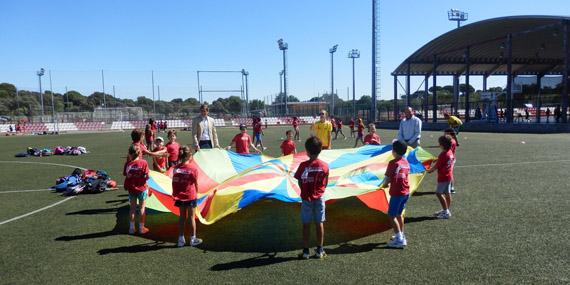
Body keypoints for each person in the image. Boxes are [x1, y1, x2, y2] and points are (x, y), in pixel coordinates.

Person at [294, 136, 329, 259]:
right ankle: (320, 250)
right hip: (319, 198)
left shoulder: (303, 166)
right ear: (320, 150)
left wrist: (305, 190)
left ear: (307, 151)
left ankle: (305, 252)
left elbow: (299, 181)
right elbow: (326, 182)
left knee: (306, 224)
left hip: (306, 198)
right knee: (319, 222)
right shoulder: (325, 166)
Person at [381, 140, 410, 248]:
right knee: (398, 215)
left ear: (394, 151)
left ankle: (399, 240)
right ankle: (401, 235)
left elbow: (387, 178)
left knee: (391, 215)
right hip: (405, 192)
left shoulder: (393, 163)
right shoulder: (405, 162)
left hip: (397, 193)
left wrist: (384, 185)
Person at [172, 145, 203, 247]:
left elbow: (174, 182)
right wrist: (197, 193)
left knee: (182, 217)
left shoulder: (175, 169)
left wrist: (175, 194)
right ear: (189, 156)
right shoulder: (193, 168)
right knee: (191, 217)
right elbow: (196, 183)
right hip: (190, 196)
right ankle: (192, 239)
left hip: (180, 196)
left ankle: (181, 239)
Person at [427, 135, 455, 219]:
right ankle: (445, 210)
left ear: (442, 145)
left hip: (443, 178)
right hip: (449, 176)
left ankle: (446, 212)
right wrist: (437, 159)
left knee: (438, 193)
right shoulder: (449, 152)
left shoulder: (443, 155)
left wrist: (429, 170)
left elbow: (436, 167)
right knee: (447, 193)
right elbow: (442, 160)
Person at [124, 145, 150, 234]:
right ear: (139, 153)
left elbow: (126, 174)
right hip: (142, 188)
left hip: (131, 189)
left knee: (132, 208)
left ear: (130, 154)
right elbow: (147, 176)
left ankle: (131, 228)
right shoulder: (144, 162)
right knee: (142, 208)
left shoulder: (128, 164)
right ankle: (141, 228)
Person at [444, 128, 458, 194]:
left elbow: (447, 151)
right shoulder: (452, 140)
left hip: (450, 159)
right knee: (448, 173)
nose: (444, 134)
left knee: (450, 173)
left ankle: (452, 188)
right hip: (450, 158)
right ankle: (448, 187)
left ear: (449, 134)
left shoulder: (451, 141)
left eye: (445, 133)